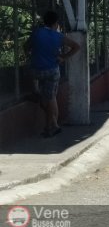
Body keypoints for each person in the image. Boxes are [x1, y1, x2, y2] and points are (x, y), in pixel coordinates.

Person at [26, 10, 80, 138]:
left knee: (44, 95)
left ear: (44, 21)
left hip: (36, 70)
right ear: (56, 23)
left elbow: (26, 47)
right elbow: (76, 46)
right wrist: (63, 57)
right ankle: (51, 126)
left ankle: (37, 94)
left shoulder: (37, 33)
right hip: (52, 70)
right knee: (50, 99)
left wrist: (32, 56)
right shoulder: (58, 36)